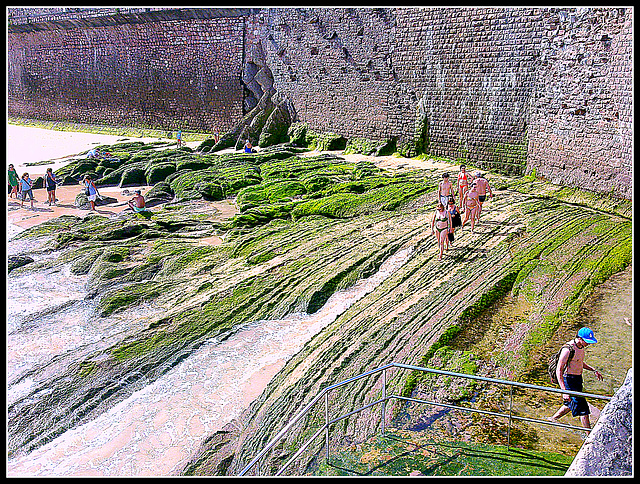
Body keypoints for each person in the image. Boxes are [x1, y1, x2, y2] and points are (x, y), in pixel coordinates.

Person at [550, 327, 604, 430]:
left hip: (577, 379)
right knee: (583, 409)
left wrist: (593, 370)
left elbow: (579, 362)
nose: (588, 344)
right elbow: (559, 370)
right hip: (569, 380)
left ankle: (552, 419)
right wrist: (564, 391)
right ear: (579, 338)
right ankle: (589, 436)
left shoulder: (581, 347)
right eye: (587, 341)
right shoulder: (567, 350)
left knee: (570, 403)